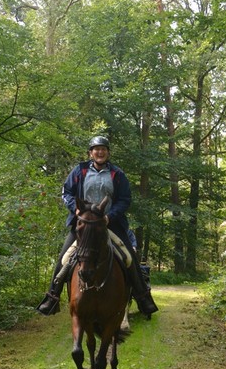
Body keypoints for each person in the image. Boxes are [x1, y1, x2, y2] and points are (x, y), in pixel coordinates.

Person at [36, 136, 159, 317]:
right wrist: (76, 210)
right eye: (96, 149)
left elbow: (125, 200)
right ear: (90, 153)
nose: (100, 152)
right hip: (84, 225)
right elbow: (67, 193)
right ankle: (52, 298)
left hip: (110, 224)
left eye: (103, 149)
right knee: (63, 259)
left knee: (129, 257)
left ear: (108, 152)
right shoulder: (79, 170)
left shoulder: (118, 174)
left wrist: (110, 216)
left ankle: (143, 298)